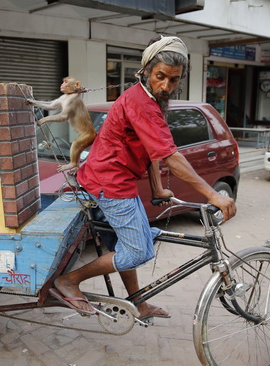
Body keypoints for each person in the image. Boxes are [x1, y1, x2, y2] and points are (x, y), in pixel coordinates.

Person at [50, 36, 237, 318]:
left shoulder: (152, 99)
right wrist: (212, 195)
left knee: (129, 246)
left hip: (113, 179)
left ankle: (138, 302)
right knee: (139, 251)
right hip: (110, 182)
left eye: (173, 80)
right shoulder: (142, 103)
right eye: (160, 76)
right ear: (147, 71)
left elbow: (152, 151)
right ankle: (69, 281)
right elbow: (171, 157)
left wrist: (157, 188)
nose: (165, 86)